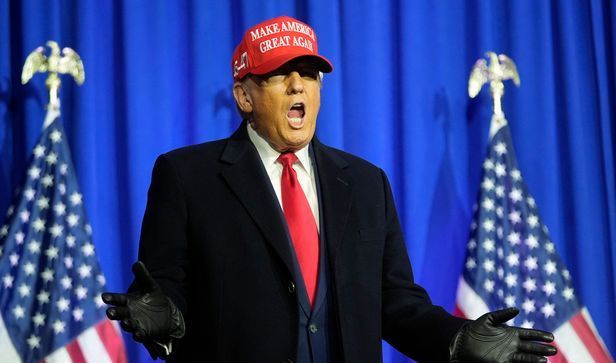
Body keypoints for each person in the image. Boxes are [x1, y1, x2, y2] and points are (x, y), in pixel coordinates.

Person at [102, 15, 557, 362]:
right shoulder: (187, 176)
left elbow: (395, 303)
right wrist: (167, 321)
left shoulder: (364, 183)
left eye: (310, 73)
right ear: (245, 96)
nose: (299, 84)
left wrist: (456, 340)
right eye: (280, 74)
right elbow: (163, 293)